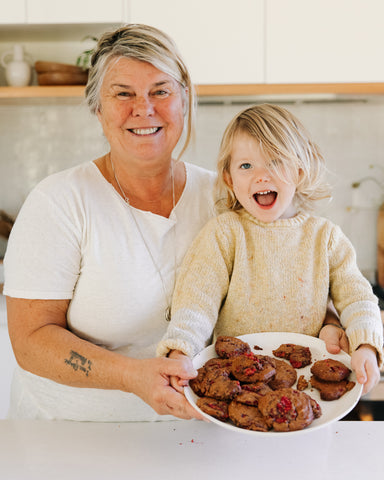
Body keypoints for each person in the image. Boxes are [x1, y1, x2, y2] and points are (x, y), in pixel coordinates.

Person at [4, 25, 345, 422]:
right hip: (75, 437)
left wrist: (330, 322)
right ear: (98, 107)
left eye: (161, 91)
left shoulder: (227, 195)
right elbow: (30, 341)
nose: (144, 108)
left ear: (185, 99)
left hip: (200, 434)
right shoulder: (60, 202)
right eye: (123, 93)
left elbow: (285, 273)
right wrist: (133, 377)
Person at [157, 104, 383, 396]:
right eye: (246, 166)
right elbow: (196, 302)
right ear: (229, 179)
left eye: (275, 162)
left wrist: (365, 344)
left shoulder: (325, 237)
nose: (261, 176)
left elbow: (358, 298)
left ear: (300, 171)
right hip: (239, 384)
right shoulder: (224, 233)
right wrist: (181, 350)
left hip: (305, 387)